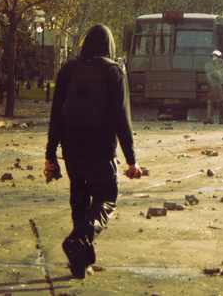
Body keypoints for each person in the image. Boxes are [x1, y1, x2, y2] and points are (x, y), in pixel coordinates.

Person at [44, 25, 142, 279]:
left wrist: (50, 155)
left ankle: (81, 263)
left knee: (79, 201)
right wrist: (131, 161)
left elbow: (56, 115)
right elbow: (123, 120)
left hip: (72, 149)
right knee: (106, 199)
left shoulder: (68, 69)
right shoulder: (114, 71)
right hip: (100, 149)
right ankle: (78, 240)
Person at [204, 50, 223, 124]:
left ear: (219, 57)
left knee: (221, 102)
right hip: (212, 85)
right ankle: (209, 118)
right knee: (210, 101)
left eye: (215, 56)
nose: (214, 58)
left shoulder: (222, 65)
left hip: (221, 85)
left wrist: (217, 74)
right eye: (213, 56)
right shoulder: (210, 65)